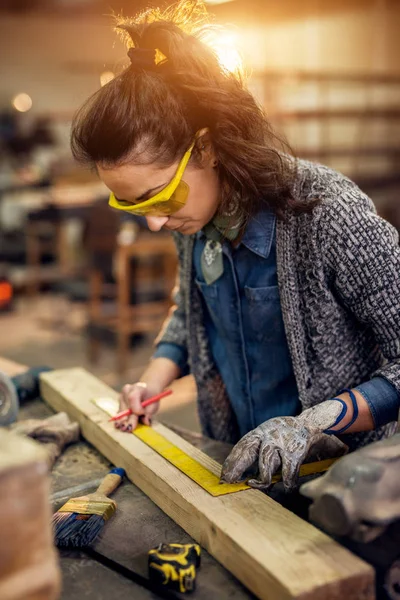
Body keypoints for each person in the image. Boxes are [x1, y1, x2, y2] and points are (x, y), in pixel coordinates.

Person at [70, 0, 400, 491]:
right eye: (134, 206)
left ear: (206, 148)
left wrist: (315, 422)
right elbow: (193, 311)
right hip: (238, 468)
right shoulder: (195, 219)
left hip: (342, 485)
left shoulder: (328, 214)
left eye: (160, 196)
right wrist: (152, 382)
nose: (156, 222)